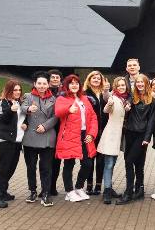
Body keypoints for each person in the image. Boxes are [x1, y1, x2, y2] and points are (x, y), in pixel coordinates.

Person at [54, 74, 98, 203]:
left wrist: (92, 134)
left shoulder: (84, 99)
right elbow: (58, 112)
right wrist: (68, 109)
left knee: (87, 164)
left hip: (85, 135)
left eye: (76, 83)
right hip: (70, 135)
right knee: (69, 164)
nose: (74, 85)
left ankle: (79, 187)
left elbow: (93, 117)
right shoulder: (62, 98)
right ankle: (69, 191)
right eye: (71, 83)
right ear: (67, 85)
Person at [116, 74, 155, 205]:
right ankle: (139, 190)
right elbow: (126, 106)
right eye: (137, 82)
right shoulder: (132, 97)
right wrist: (127, 107)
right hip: (129, 133)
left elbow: (151, 120)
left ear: (146, 83)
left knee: (129, 161)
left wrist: (147, 138)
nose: (139, 84)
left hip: (142, 135)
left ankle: (128, 192)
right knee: (138, 163)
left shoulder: (152, 100)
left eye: (142, 82)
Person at [21, 71, 58, 206]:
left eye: (44, 83)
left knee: (46, 168)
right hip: (30, 137)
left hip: (47, 136)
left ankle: (46, 193)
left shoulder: (54, 99)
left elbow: (56, 116)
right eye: (39, 83)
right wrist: (28, 109)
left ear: (48, 85)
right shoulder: (28, 96)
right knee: (31, 167)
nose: (42, 86)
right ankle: (32, 191)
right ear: (35, 84)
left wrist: (45, 126)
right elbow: (22, 107)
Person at [0, 80, 26, 208]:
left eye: (19, 90)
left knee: (11, 167)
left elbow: (22, 119)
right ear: (9, 90)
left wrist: (25, 124)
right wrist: (10, 110)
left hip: (17, 141)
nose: (18, 92)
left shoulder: (19, 102)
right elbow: (0, 119)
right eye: (15, 90)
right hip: (5, 140)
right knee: (3, 168)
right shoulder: (3, 102)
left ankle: (3, 191)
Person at [97, 77, 130, 204]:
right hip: (111, 134)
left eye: (123, 85)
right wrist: (109, 103)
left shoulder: (126, 99)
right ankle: (107, 190)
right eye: (119, 85)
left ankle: (109, 187)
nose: (121, 87)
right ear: (115, 87)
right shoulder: (112, 97)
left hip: (122, 135)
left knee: (113, 162)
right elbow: (106, 109)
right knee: (109, 163)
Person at [83, 71, 110, 195]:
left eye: (98, 78)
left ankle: (98, 186)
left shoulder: (105, 94)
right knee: (89, 159)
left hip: (103, 131)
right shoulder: (84, 94)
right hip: (90, 132)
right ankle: (89, 185)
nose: (96, 80)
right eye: (93, 78)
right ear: (89, 80)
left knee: (100, 160)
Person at [47, 69, 63, 196]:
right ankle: (46, 187)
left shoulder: (64, 93)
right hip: (47, 130)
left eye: (57, 77)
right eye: (53, 77)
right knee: (46, 161)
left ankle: (52, 186)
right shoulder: (44, 92)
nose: (55, 79)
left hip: (60, 130)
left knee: (57, 161)